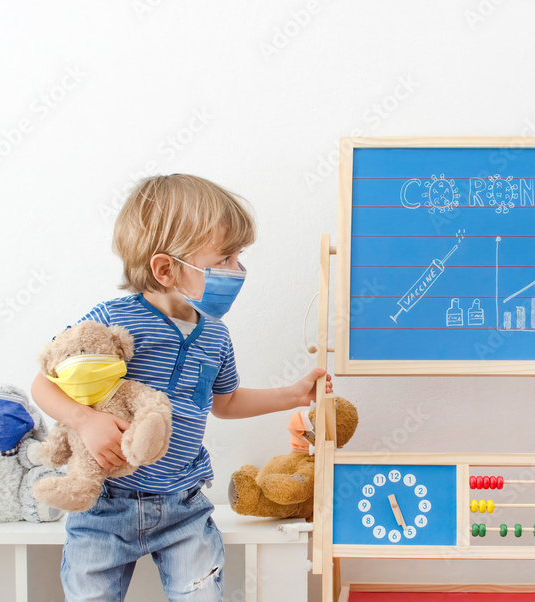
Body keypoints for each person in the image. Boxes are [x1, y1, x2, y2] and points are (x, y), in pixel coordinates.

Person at [31, 174, 331, 601]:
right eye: (225, 258)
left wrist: (294, 395)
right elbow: (44, 384)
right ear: (166, 268)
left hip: (183, 507)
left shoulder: (215, 335)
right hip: (106, 502)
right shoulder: (111, 321)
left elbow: (224, 402)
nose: (238, 271)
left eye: (239, 257)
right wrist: (87, 420)